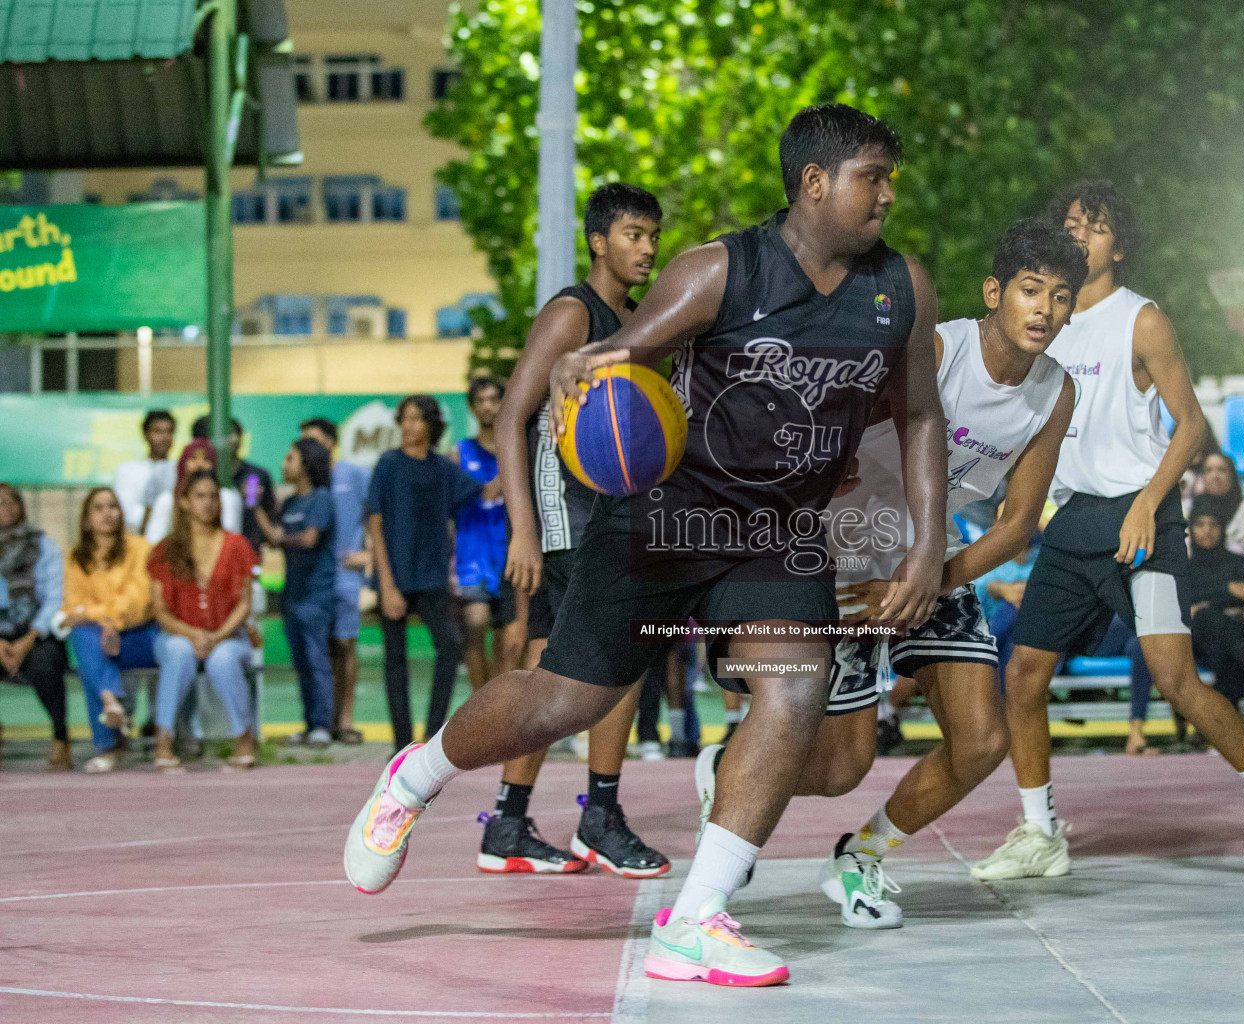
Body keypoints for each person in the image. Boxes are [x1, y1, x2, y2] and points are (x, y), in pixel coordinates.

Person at [342, 103, 947, 986]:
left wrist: (927, 545)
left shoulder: (902, 287)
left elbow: (921, 412)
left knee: (796, 685)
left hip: (778, 535)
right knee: (564, 703)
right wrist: (572, 372)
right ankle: (416, 775)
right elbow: (615, 358)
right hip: (668, 518)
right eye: (874, 178)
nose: (889, 194)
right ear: (815, 183)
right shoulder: (718, 272)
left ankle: (696, 918)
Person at [974, 178, 1244, 889]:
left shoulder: (1143, 320)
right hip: (1073, 524)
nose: (1078, 234)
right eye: (1070, 223)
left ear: (1119, 245)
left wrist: (1148, 503)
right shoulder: (1048, 317)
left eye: (1094, 226)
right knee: (1024, 676)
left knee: (1176, 680)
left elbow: (1191, 425)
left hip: (1143, 518)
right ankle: (1040, 833)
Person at [778, 219, 1080, 929]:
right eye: (1030, 290)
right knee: (840, 767)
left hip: (932, 553)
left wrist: (928, 580)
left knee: (981, 741)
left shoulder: (1055, 392)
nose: (1044, 309)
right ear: (993, 292)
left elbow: (1015, 523)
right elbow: (835, 422)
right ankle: (726, 768)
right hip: (851, 541)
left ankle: (860, 856)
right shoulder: (940, 348)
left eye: (1061, 297)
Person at [484, 183, 669, 877]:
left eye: (652, 235)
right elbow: (512, 417)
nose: (646, 248)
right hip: (566, 510)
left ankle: (507, 820)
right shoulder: (572, 312)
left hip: (614, 507)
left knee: (546, 665)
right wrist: (522, 530)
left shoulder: (641, 319)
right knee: (621, 651)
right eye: (632, 234)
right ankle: (600, 813)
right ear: (598, 240)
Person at [367, 395, 491, 752]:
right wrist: (386, 585)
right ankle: (402, 743)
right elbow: (375, 521)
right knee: (395, 660)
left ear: (431, 426)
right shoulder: (388, 464)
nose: (407, 426)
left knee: (450, 646)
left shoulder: (444, 468)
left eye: (416, 419)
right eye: (403, 418)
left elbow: (485, 490)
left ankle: (433, 735)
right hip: (396, 576)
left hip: (433, 576)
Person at [147, 469, 260, 771]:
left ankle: (244, 738)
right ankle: (163, 741)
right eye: (199, 496)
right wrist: (193, 634)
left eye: (213, 497)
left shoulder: (236, 545)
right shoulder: (166, 549)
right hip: (177, 635)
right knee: (178, 651)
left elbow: (245, 603)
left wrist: (217, 635)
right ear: (184, 502)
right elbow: (159, 609)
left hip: (228, 636)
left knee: (223, 659)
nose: (207, 503)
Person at [450, 378, 526, 745]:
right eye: (480, 400)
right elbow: (452, 508)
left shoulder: (517, 448)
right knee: (475, 623)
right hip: (472, 557)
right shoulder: (458, 454)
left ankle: (498, 711)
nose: (487, 406)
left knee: (508, 640)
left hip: (511, 555)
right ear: (472, 407)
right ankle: (480, 704)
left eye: (494, 398)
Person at [63, 487, 156, 772]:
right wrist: (102, 623)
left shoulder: (140, 548)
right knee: (84, 639)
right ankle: (110, 702)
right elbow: (71, 608)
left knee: (90, 648)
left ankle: (108, 742)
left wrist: (107, 620)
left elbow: (139, 599)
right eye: (99, 508)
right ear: (87, 518)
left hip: (141, 635)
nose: (107, 514)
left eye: (112, 506)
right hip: (101, 640)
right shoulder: (76, 557)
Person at [257, 438, 336, 747]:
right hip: (292, 595)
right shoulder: (288, 504)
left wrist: (280, 536)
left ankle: (322, 725)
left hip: (316, 596)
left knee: (317, 660)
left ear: (306, 465)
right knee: (301, 663)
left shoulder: (321, 499)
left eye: (289, 459)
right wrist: (256, 508)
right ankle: (308, 723)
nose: (283, 465)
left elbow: (309, 539)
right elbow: (275, 538)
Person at [300, 417, 370, 745]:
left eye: (313, 441)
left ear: (331, 442)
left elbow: (380, 514)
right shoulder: (307, 485)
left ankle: (346, 718)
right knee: (320, 648)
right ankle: (321, 719)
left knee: (345, 643)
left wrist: (368, 554)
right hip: (314, 576)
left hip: (345, 573)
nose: (307, 450)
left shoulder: (353, 475)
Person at [1184, 496, 1244, 709]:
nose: (1207, 530)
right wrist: (1227, 589)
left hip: (1236, 634)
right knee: (1206, 619)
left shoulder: (1243, 565)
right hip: (1198, 642)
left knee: (1212, 625)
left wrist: (1205, 601)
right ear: (1191, 529)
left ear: (1223, 528)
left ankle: (1221, 736)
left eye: (1213, 524)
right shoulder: (1184, 570)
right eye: (1200, 525)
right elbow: (1185, 608)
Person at [0, 483, 69, 770]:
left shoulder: (43, 545)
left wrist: (28, 638)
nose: (6, 507)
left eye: (11, 501)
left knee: (45, 662)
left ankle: (60, 736)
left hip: (36, 632)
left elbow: (55, 598)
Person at [193, 415, 276, 563]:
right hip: (210, 553)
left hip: (249, 549)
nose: (227, 440)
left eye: (232, 433)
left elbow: (270, 513)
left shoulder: (255, 475)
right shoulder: (204, 476)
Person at [143, 440, 242, 545]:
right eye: (193, 458)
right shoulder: (167, 500)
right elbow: (153, 541)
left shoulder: (227, 497)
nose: (199, 464)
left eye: (206, 459)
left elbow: (231, 536)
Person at [114, 409, 176, 536]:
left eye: (169, 431)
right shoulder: (127, 471)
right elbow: (125, 510)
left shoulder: (179, 469)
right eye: (158, 431)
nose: (164, 437)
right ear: (146, 435)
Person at [1190, 451, 1244, 557]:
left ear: (1232, 475)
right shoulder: (1190, 508)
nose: (1215, 476)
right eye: (1209, 470)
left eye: (1221, 470)